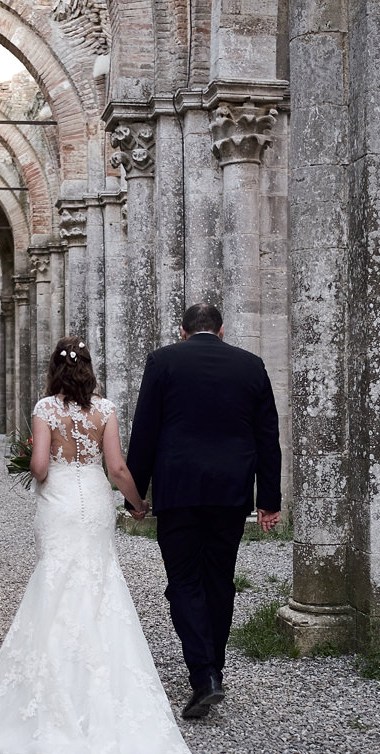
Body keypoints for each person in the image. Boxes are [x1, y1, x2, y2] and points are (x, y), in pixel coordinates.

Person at [0, 336, 201, 754]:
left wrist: (32, 464)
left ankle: (49, 691)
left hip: (62, 504)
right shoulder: (105, 410)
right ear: (89, 368)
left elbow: (42, 466)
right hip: (95, 507)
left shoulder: (45, 408)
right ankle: (104, 697)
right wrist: (138, 504)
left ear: (55, 369)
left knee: (56, 582)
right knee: (100, 582)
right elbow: (118, 469)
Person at [125, 303, 282, 719]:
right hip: (230, 492)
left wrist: (135, 496)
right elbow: (267, 434)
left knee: (183, 582)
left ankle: (204, 675)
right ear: (222, 329)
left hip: (179, 490)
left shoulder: (163, 361)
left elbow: (146, 429)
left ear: (182, 331)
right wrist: (269, 500)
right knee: (219, 579)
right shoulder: (251, 365)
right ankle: (214, 667)